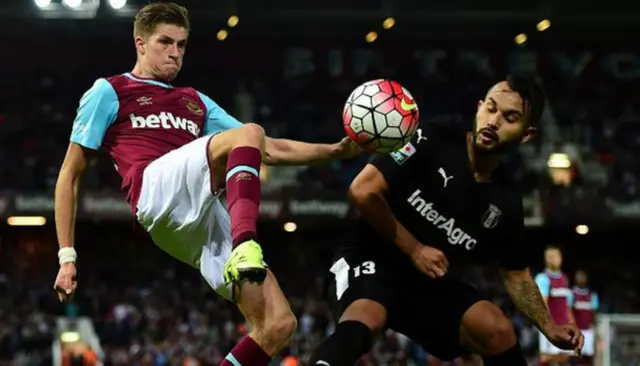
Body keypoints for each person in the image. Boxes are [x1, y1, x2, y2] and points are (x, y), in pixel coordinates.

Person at [52, 3, 359, 366]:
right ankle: (247, 244)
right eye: (165, 42)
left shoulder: (194, 101)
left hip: (196, 216)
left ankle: (245, 252)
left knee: (278, 323)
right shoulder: (110, 90)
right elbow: (70, 174)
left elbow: (267, 148)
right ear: (140, 43)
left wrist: (337, 150)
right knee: (247, 132)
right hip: (155, 190)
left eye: (181, 44)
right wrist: (67, 256)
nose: (174, 52)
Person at [309, 74, 584, 366]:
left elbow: (516, 275)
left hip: (425, 284)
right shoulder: (429, 138)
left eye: (510, 117)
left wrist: (549, 326)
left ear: (527, 134)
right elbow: (362, 191)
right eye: (490, 108)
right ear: (479, 107)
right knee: (367, 317)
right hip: (370, 257)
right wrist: (414, 249)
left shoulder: (506, 200)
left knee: (497, 328)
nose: (493, 121)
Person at [535, 245, 576, 365]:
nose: (552, 259)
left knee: (565, 357)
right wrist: (549, 327)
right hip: (551, 327)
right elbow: (542, 305)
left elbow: (566, 305)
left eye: (555, 256)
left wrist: (572, 322)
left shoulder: (564, 278)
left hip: (564, 326)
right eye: (549, 257)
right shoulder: (543, 278)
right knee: (546, 358)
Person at [571, 269, 599, 365]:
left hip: (588, 331)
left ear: (587, 279)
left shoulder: (592, 295)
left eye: (583, 277)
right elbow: (568, 311)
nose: (580, 279)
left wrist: (595, 328)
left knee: (589, 357)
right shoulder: (571, 294)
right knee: (574, 356)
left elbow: (594, 313)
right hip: (576, 331)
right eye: (578, 276)